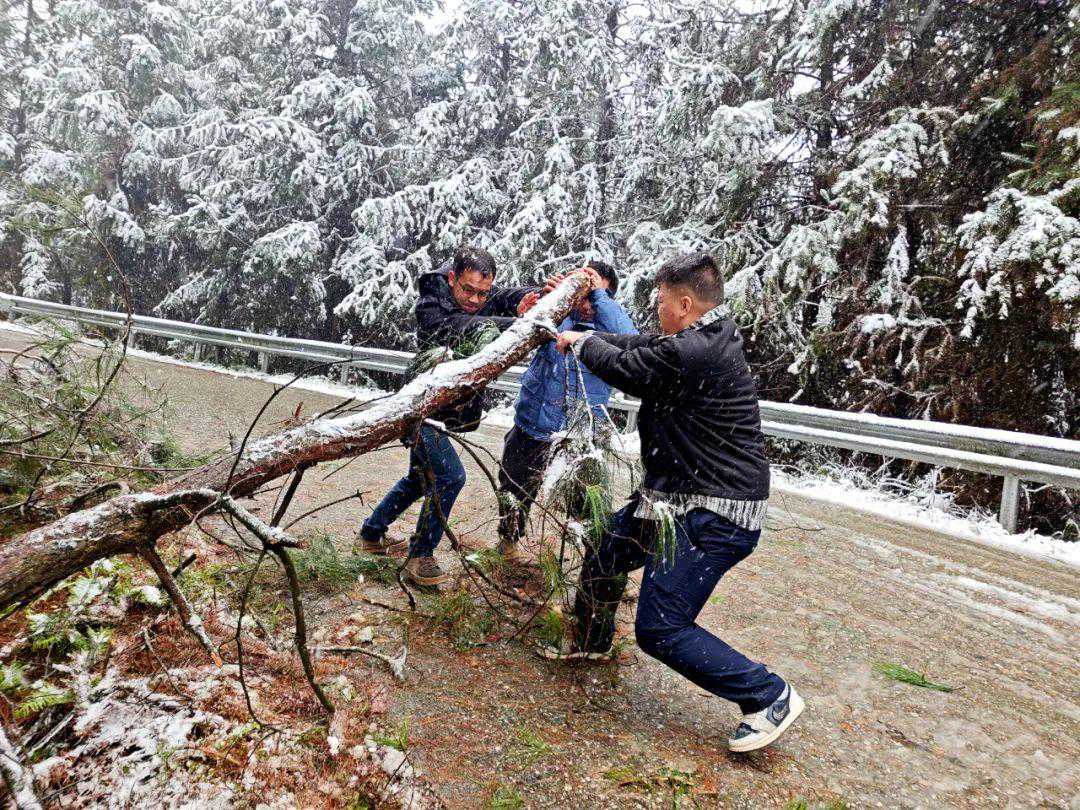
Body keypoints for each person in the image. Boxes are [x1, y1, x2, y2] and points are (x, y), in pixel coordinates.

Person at [549, 251, 803, 753]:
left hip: (716, 513)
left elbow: (632, 367)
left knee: (661, 627)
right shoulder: (700, 338)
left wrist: (583, 345)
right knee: (607, 549)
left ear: (684, 304)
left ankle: (768, 695)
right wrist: (587, 335)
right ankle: (592, 642)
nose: (657, 308)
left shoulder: (698, 351)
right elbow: (640, 345)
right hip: (674, 499)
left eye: (662, 300)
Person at [359, 246, 535, 588]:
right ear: (452, 278)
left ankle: (370, 533)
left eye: (482, 293)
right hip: (421, 409)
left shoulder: (478, 297)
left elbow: (505, 296)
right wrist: (516, 323)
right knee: (451, 477)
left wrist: (534, 296)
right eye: (468, 290)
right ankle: (420, 555)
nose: (474, 299)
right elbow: (460, 325)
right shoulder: (431, 305)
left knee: (419, 479)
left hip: (443, 414)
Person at [495, 260, 637, 562]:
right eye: (581, 293)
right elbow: (518, 332)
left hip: (578, 437)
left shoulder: (611, 332)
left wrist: (597, 295)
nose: (585, 304)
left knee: (588, 508)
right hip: (532, 425)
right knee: (514, 491)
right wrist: (549, 299)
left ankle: (594, 567)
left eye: (593, 295)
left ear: (607, 298)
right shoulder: (559, 315)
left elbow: (632, 343)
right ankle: (508, 546)